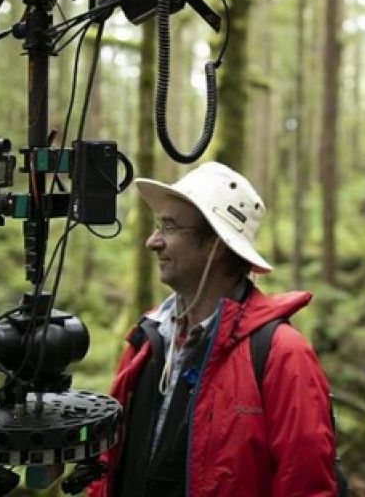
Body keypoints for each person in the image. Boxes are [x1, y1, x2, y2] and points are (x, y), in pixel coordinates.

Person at [87, 161, 337, 497]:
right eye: (159, 225)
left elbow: (306, 487)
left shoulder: (282, 354)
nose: (152, 241)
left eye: (171, 227)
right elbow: (109, 465)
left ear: (216, 245)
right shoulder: (148, 338)